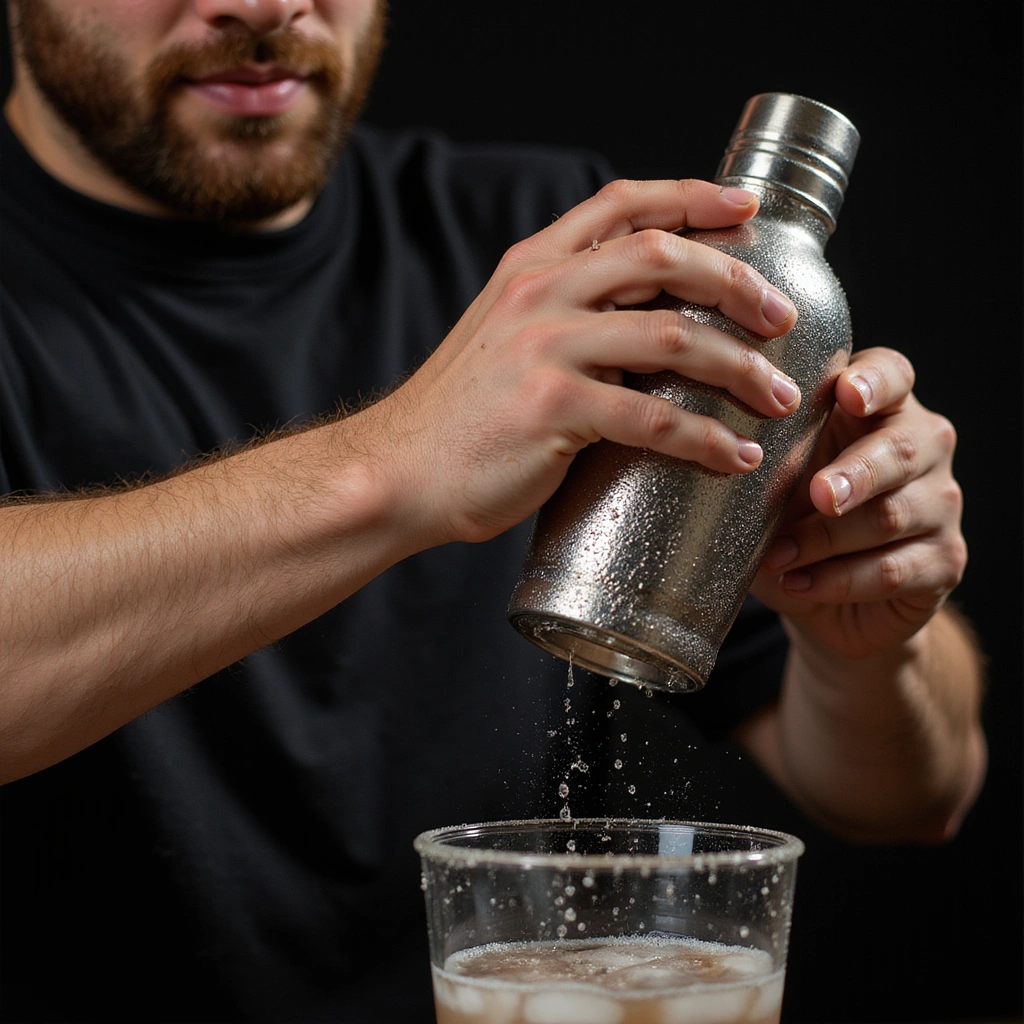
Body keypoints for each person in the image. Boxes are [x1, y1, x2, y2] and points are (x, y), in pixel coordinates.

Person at [0, 1, 987, 1021]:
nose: (265, 5)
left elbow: (918, 792)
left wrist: (863, 629)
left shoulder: (565, 248)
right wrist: (394, 462)